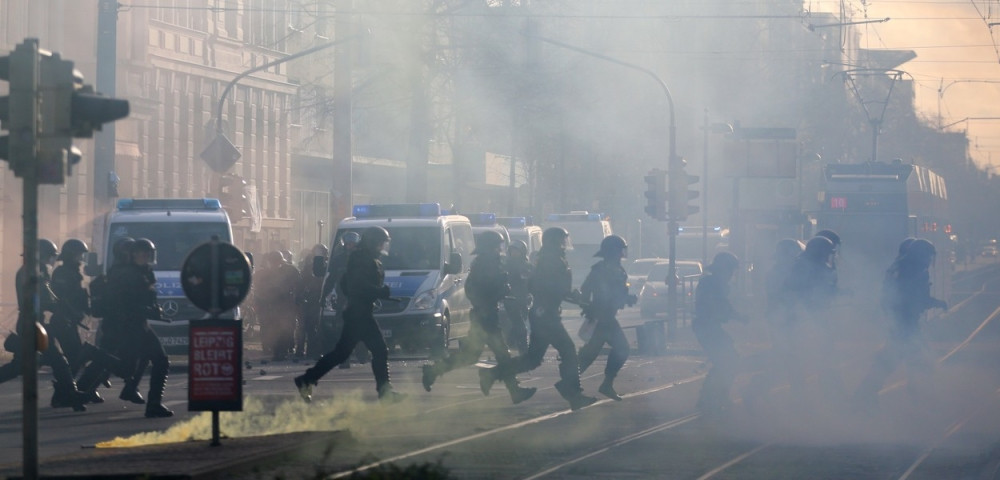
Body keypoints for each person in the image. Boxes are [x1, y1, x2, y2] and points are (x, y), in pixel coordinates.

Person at [421, 231, 535, 404]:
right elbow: (482, 290)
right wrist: (501, 291)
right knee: (502, 356)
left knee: (471, 356)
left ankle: (434, 371)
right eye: (498, 246)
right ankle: (513, 390)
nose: (500, 249)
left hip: (485, 315)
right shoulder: (486, 264)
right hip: (485, 316)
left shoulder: (484, 263)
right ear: (491, 246)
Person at [491, 227, 597, 410]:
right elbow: (548, 287)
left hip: (545, 312)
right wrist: (572, 295)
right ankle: (572, 392)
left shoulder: (550, 259)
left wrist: (572, 296)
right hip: (546, 314)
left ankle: (495, 373)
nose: (565, 244)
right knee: (569, 351)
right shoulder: (551, 260)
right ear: (555, 242)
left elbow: (547, 287)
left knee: (533, 359)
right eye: (562, 241)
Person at [294, 226, 404, 402]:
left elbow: (346, 283)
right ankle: (385, 391)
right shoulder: (361, 259)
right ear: (373, 243)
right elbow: (357, 285)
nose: (382, 247)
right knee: (379, 350)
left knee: (343, 353)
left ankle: (307, 380)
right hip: (359, 314)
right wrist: (379, 292)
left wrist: (370, 296)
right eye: (380, 243)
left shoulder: (364, 258)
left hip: (359, 311)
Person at [853, 238, 947, 410]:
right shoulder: (915, 269)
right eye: (928, 256)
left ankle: (865, 394)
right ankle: (866, 396)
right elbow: (916, 297)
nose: (929, 260)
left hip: (899, 320)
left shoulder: (901, 265)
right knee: (906, 360)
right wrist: (937, 303)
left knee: (900, 359)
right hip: (906, 322)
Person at [0, 239, 90, 412]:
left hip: (34, 323)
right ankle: (71, 394)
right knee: (58, 360)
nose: (51, 260)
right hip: (32, 324)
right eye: (49, 256)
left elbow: (49, 298)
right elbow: (42, 299)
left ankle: (70, 394)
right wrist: (59, 307)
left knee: (20, 366)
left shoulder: (35, 272)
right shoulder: (32, 273)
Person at [111, 238, 173, 417]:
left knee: (143, 359)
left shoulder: (142, 272)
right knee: (159, 360)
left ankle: (131, 389)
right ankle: (153, 404)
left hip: (138, 324)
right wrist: (146, 310)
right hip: (131, 325)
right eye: (139, 253)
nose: (143, 256)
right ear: (132, 255)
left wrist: (153, 310)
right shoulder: (130, 274)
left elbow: (146, 299)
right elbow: (126, 302)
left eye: (146, 253)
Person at [743, 239, 805, 411]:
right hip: (782, 322)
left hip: (785, 320)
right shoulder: (779, 273)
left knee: (787, 359)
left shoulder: (784, 272)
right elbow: (784, 298)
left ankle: (757, 389)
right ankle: (755, 390)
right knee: (788, 359)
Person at [577, 235, 637, 401]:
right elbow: (586, 290)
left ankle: (572, 381)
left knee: (591, 352)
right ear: (613, 252)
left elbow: (617, 294)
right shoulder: (600, 270)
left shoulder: (618, 270)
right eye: (619, 250)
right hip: (601, 317)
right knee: (621, 348)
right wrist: (588, 307)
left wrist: (627, 299)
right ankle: (604, 383)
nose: (622, 254)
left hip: (607, 316)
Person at [692, 251, 745, 417]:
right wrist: (740, 317)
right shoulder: (712, 284)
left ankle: (713, 397)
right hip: (707, 326)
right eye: (730, 270)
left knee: (726, 360)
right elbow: (719, 306)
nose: (731, 275)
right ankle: (712, 397)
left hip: (709, 326)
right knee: (727, 361)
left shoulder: (713, 283)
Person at [320, 232, 368, 367]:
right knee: (340, 329)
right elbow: (331, 279)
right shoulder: (338, 260)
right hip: (342, 299)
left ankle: (362, 352)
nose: (350, 246)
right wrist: (324, 296)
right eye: (348, 244)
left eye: (352, 244)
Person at [256, 251, 301, 361]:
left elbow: (298, 284)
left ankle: (283, 350)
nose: (275, 264)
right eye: (273, 262)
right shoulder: (264, 274)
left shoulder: (290, 271)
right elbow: (259, 289)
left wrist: (295, 299)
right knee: (273, 329)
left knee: (285, 328)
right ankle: (277, 351)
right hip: (272, 305)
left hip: (285, 306)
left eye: (276, 262)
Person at [296, 243, 329, 359]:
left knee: (311, 326)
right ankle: (303, 350)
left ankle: (309, 350)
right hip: (310, 298)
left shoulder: (324, 264)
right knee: (306, 326)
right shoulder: (310, 265)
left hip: (316, 298)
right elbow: (306, 279)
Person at [501, 239, 531, 355]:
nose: (514, 253)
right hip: (510, 299)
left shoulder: (527, 266)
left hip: (524, 300)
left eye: (517, 251)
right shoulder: (506, 265)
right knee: (520, 326)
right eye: (512, 251)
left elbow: (530, 281)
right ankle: (524, 350)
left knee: (519, 323)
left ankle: (511, 342)